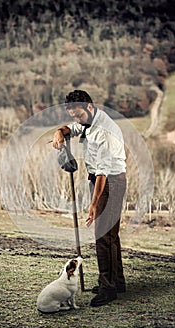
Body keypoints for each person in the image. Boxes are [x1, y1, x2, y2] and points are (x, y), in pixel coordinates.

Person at [52, 90, 127, 307]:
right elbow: (73, 128)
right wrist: (60, 131)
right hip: (101, 179)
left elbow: (103, 172)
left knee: (103, 235)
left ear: (90, 108)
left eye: (79, 115)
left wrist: (94, 204)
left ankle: (107, 288)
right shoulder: (87, 121)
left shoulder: (103, 131)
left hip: (110, 181)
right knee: (111, 235)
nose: (77, 119)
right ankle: (117, 282)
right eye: (73, 115)